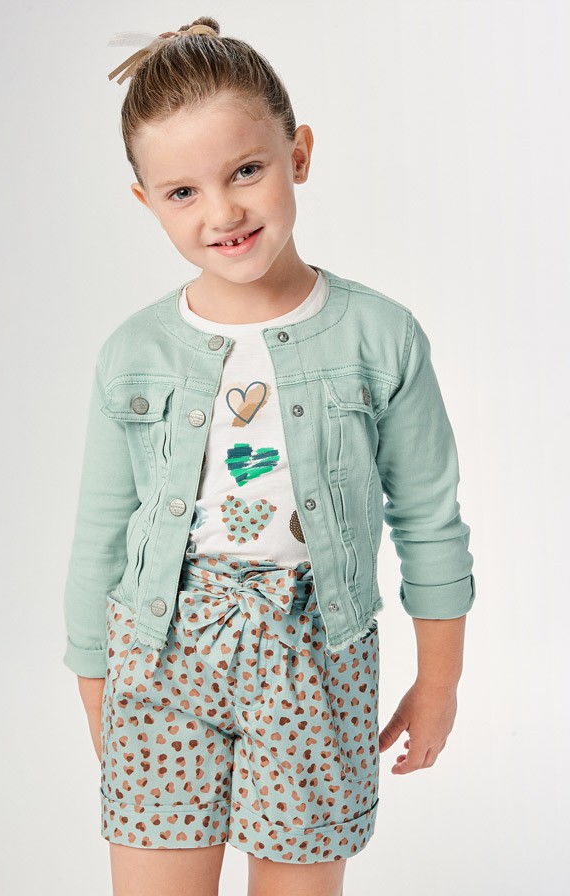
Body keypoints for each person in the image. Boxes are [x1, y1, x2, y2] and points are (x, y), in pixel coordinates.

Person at [62, 16, 476, 896]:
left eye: (245, 170)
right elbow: (100, 532)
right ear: (146, 202)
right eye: (182, 191)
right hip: (159, 658)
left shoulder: (381, 337)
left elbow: (430, 520)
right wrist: (98, 687)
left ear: (300, 154)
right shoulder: (133, 352)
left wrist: (438, 685)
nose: (222, 212)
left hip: (317, 658)